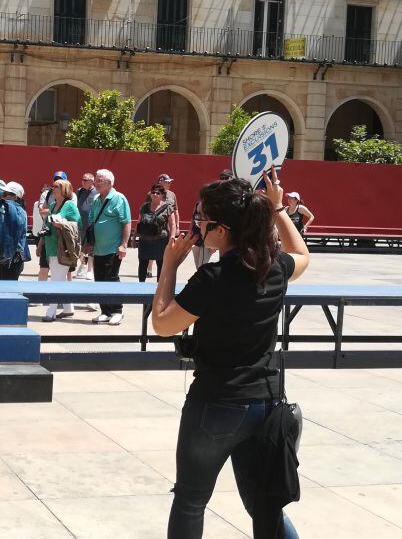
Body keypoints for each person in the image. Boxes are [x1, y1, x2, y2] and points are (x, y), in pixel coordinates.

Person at [151, 168, 309, 538]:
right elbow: (302, 254)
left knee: (190, 500)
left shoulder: (213, 278)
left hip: (216, 404)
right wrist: (278, 208)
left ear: (222, 231)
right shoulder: (275, 269)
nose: (198, 227)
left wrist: (169, 265)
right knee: (264, 505)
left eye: (202, 220)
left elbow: (162, 324)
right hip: (265, 402)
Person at [83, 169, 131, 325]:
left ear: (110, 183)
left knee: (111, 279)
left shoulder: (119, 198)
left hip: (112, 248)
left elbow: (126, 222)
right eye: (96, 179)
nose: (96, 182)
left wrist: (123, 245)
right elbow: (91, 222)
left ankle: (117, 311)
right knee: (99, 280)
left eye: (99, 180)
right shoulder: (96, 199)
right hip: (98, 248)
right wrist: (89, 243)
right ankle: (105, 311)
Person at [42, 179, 80, 321]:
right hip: (51, 245)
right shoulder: (52, 205)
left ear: (64, 189)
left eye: (56, 186)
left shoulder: (69, 205)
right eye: (53, 186)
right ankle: (68, 308)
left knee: (56, 281)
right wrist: (41, 243)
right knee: (61, 279)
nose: (53, 188)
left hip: (63, 247)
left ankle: (50, 312)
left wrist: (61, 224)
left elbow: (77, 223)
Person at [0, 181, 30, 281]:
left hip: (6, 257)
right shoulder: (22, 211)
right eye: (4, 193)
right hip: (17, 257)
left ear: (16, 197)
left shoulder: (4, 208)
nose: (5, 196)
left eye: (9, 194)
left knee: (2, 289)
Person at [137, 184, 177, 282]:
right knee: (142, 263)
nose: (155, 194)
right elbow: (139, 222)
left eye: (157, 193)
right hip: (144, 240)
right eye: (153, 192)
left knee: (161, 264)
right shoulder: (144, 206)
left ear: (162, 195)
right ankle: (140, 286)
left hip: (161, 240)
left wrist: (172, 238)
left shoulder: (167, 207)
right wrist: (134, 238)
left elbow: (172, 224)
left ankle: (159, 288)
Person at [75, 173, 98, 280]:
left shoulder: (97, 192)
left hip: (91, 226)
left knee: (91, 248)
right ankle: (83, 264)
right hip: (80, 225)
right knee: (79, 247)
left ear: (92, 181)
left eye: (85, 180)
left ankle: (90, 270)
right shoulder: (79, 192)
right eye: (82, 179)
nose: (82, 181)